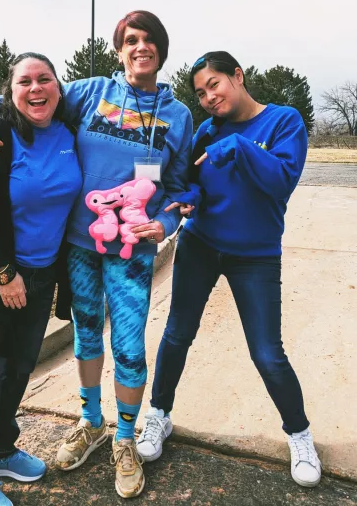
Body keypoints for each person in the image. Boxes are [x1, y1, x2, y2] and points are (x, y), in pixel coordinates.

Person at [0, 11, 192, 499]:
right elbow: (28, 100)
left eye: (149, 40)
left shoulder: (177, 116)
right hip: (80, 248)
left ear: (161, 50)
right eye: (131, 39)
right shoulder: (90, 93)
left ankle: (125, 439)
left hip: (131, 250)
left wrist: (168, 222)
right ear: (119, 49)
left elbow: (177, 187)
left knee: (129, 347)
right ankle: (92, 422)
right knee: (86, 335)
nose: (140, 47)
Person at [136, 51, 322, 489]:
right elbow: (194, 186)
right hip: (201, 246)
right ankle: (159, 416)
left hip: (254, 256)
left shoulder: (283, 121)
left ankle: (300, 435)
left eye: (214, 85)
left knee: (266, 353)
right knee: (177, 334)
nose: (207, 98)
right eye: (200, 93)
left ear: (237, 77)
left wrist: (238, 147)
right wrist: (188, 200)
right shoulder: (206, 130)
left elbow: (280, 182)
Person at [0, 52, 82, 506]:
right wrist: (5, 274)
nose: (36, 88)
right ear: (11, 90)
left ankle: (2, 449)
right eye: (25, 81)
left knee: (19, 370)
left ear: (59, 89)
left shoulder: (69, 126)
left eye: (46, 79)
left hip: (42, 278)